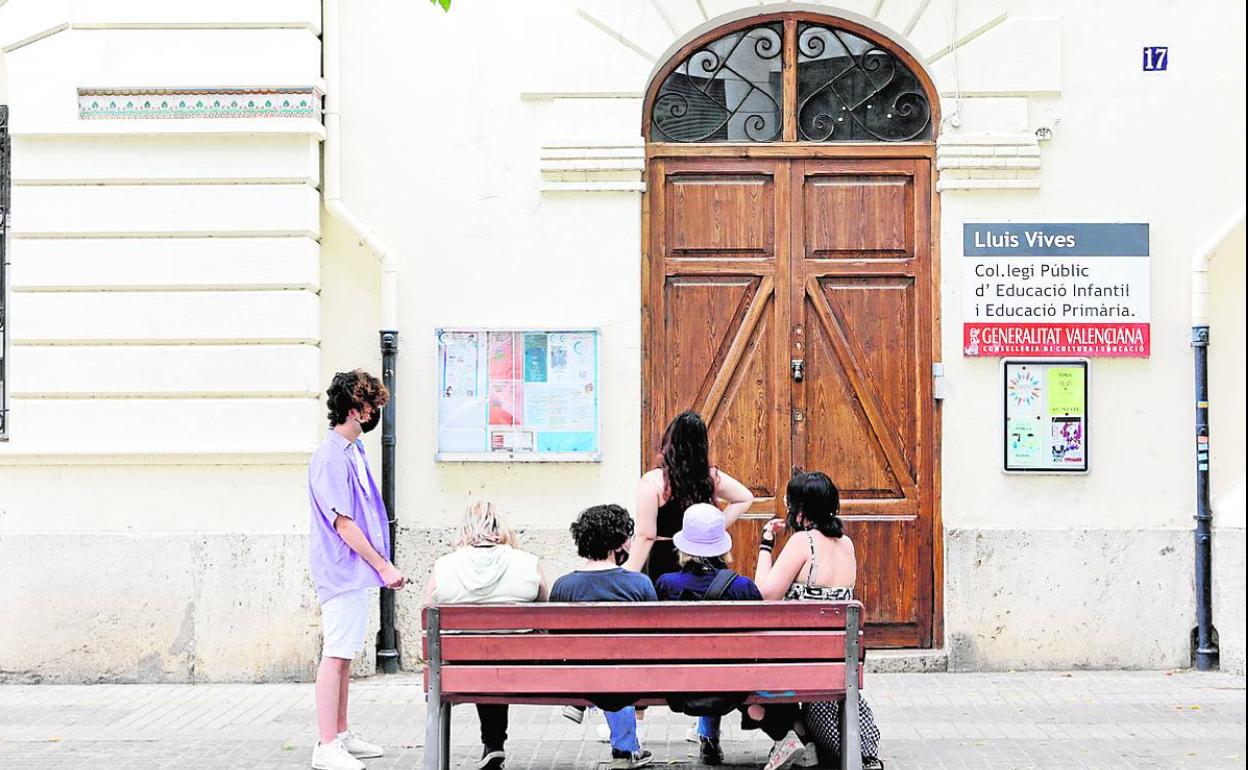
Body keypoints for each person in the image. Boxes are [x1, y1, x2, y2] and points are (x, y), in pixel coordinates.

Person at [753, 471, 884, 770]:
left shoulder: (804, 542)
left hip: (798, 659)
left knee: (752, 694)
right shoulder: (847, 544)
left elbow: (765, 594)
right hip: (835, 661)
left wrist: (765, 544)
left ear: (799, 511)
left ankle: (793, 736)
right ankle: (802, 738)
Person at [307, 370, 403, 770]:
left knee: (345, 654)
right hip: (343, 570)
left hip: (355, 571)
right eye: (369, 407)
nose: (374, 414)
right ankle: (326, 744)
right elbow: (343, 522)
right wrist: (383, 567)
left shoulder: (353, 451)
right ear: (353, 409)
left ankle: (340, 734)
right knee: (336, 654)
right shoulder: (331, 456)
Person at [424, 501, 549, 770]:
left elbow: (427, 612)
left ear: (465, 528)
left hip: (462, 669)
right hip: (524, 668)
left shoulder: (444, 567)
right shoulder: (528, 564)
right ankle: (493, 745)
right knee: (497, 654)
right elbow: (546, 612)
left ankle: (492, 745)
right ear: (501, 526)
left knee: (483, 654)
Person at [551, 504, 658, 769]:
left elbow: (553, 638)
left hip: (581, 677)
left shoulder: (564, 585)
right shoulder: (639, 583)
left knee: (605, 666)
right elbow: (657, 634)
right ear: (618, 543)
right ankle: (625, 749)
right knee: (619, 668)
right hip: (630, 678)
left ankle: (624, 746)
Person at [655, 503, 763, 766]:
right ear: (723, 547)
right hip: (732, 686)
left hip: (679, 685)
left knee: (702, 660)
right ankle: (711, 736)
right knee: (718, 661)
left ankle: (626, 747)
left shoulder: (666, 584)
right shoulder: (743, 587)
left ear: (683, 546)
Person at [626, 411, 754, 584]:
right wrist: (711, 529)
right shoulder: (709, 477)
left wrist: (627, 578)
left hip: (665, 558)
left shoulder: (653, 482)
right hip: (705, 556)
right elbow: (745, 498)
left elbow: (646, 536)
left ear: (669, 441)